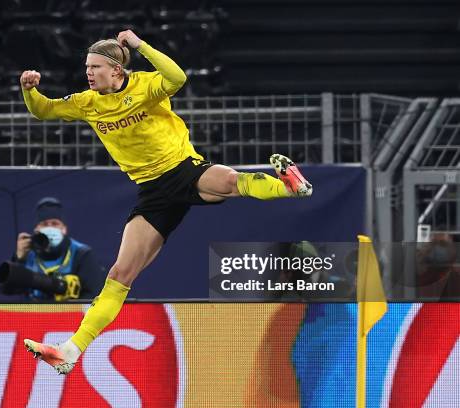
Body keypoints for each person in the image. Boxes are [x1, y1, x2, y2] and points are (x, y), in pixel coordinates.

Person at [22, 29, 313, 374]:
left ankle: (289, 188)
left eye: (96, 67)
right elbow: (44, 112)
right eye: (87, 66)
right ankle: (70, 351)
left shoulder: (145, 85)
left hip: (181, 169)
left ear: (116, 70)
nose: (88, 72)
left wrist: (140, 45)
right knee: (119, 274)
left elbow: (177, 77)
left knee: (231, 181)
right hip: (152, 192)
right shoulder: (88, 102)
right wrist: (30, 89)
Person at [0, 196, 105, 301]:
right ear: (36, 229)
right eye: (44, 224)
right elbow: (6, 290)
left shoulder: (81, 253)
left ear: (64, 229)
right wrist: (18, 259)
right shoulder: (28, 252)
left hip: (70, 314)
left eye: (55, 223)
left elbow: (95, 294)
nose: (50, 228)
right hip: (34, 314)